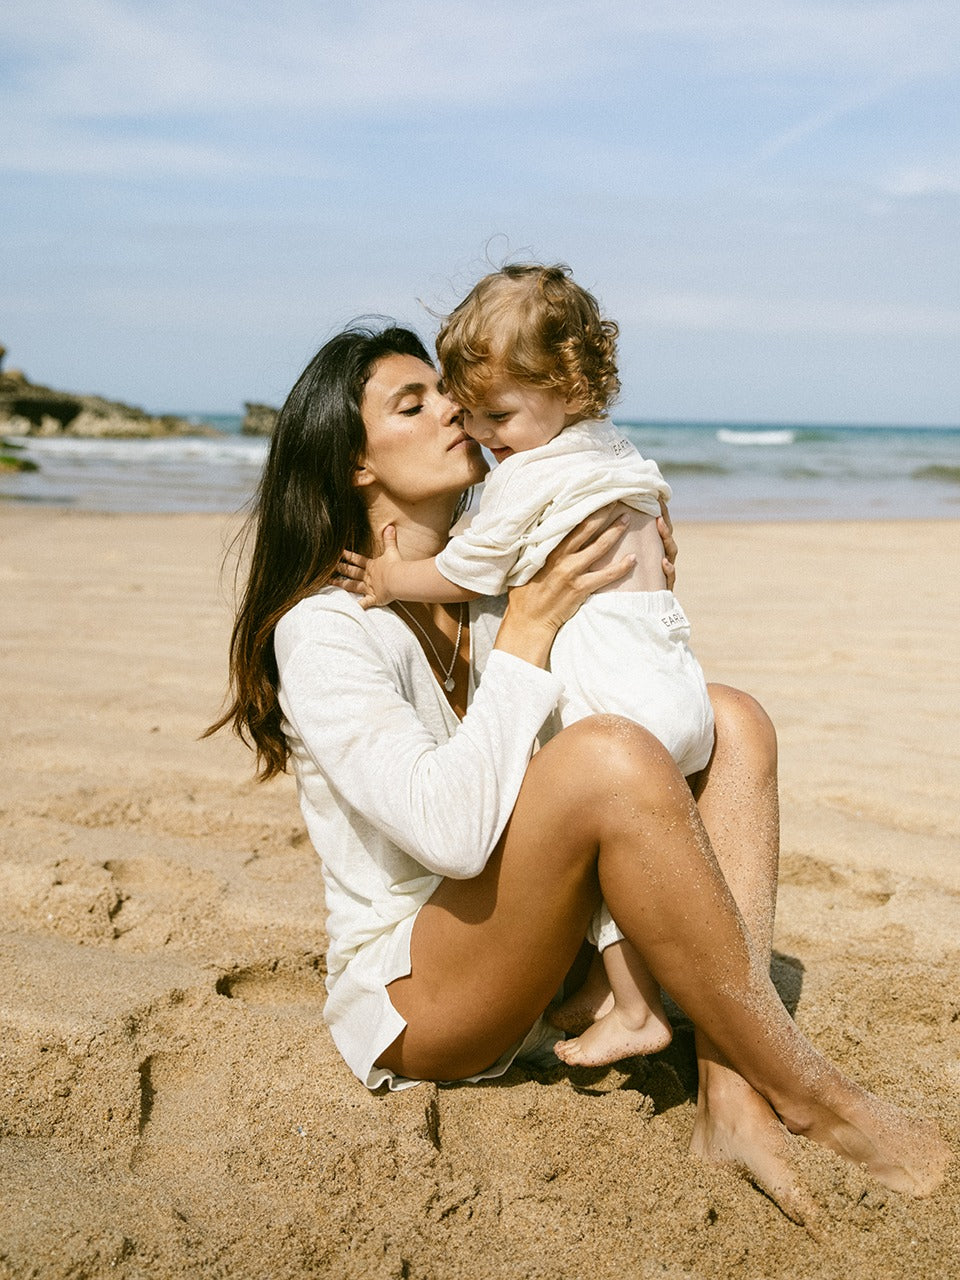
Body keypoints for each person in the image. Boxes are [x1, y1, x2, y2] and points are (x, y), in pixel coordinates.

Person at [207, 320, 949, 1225]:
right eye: (414, 403)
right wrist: (528, 628)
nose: (453, 407)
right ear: (357, 464)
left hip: (543, 955)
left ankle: (730, 1087)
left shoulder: (492, 567)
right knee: (609, 752)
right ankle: (812, 1092)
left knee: (733, 720)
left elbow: (622, 682)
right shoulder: (324, 630)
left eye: (448, 391)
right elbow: (450, 834)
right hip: (424, 992)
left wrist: (635, 580)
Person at [342, 264, 715, 1068]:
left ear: (570, 384)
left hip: (616, 699)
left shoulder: (529, 476)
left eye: (492, 413)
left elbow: (471, 566)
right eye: (456, 408)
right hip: (673, 681)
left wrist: (389, 577)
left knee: (603, 819)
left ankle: (635, 1002)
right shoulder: (612, 451)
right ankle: (624, 991)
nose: (473, 428)